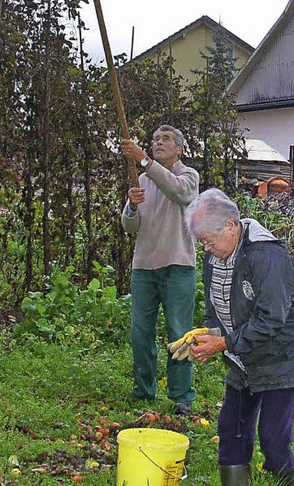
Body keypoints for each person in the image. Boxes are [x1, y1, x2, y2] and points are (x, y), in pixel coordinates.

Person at [185, 188, 294, 486]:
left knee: (273, 435)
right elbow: (216, 311)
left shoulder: (266, 255)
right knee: (231, 426)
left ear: (231, 225)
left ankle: (284, 481)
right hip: (244, 356)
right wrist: (209, 334)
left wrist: (224, 343)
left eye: (209, 239)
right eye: (201, 241)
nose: (206, 248)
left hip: (284, 355)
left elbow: (271, 318)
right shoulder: (215, 256)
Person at [121, 125, 199, 415]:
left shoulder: (188, 176)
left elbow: (179, 193)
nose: (158, 143)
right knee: (140, 332)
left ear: (179, 148)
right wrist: (131, 206)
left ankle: (181, 396)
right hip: (143, 268)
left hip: (177, 267)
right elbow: (131, 227)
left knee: (179, 333)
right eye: (154, 140)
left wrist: (143, 159)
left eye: (165, 139)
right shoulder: (142, 179)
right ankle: (144, 390)